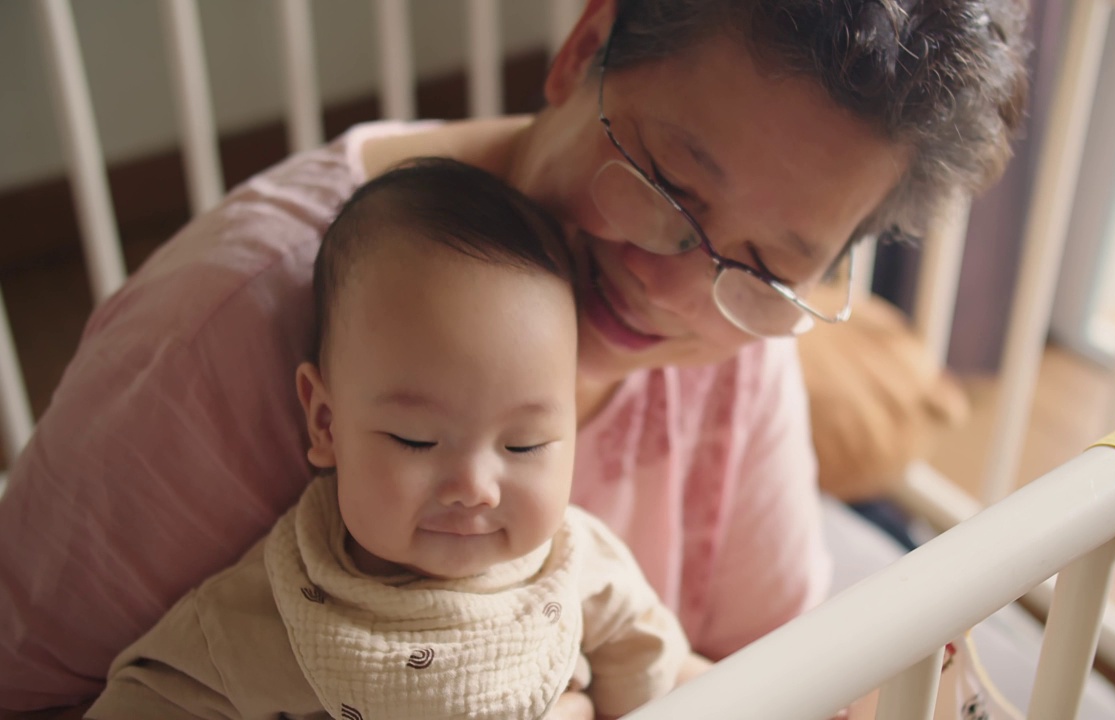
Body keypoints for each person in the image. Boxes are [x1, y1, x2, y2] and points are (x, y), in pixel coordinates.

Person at [0, 1, 1028, 717]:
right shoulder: (224, 331)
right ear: (584, 46)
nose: (671, 289)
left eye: (766, 263)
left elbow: (771, 661)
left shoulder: (735, 327)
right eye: (668, 186)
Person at [86, 158, 690, 720]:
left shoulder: (581, 567)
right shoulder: (268, 612)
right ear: (326, 424)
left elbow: (673, 680)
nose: (474, 488)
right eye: (416, 440)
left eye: (525, 444)